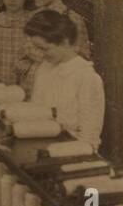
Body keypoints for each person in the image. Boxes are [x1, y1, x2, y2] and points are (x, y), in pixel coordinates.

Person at [25, 10, 105, 151]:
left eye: (45, 49)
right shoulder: (44, 67)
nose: (40, 54)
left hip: (71, 150)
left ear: (65, 41)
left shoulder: (86, 76)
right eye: (37, 48)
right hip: (41, 141)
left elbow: (90, 136)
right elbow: (36, 109)